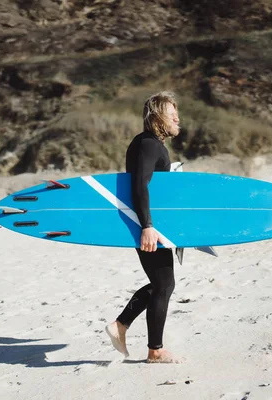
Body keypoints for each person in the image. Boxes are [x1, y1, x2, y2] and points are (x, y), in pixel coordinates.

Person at [105, 91, 181, 363]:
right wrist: (147, 226)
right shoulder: (147, 144)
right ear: (158, 117)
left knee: (162, 283)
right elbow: (139, 185)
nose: (177, 120)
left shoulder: (152, 145)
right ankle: (154, 351)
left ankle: (122, 326)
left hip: (152, 223)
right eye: (172, 115)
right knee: (163, 284)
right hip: (146, 224)